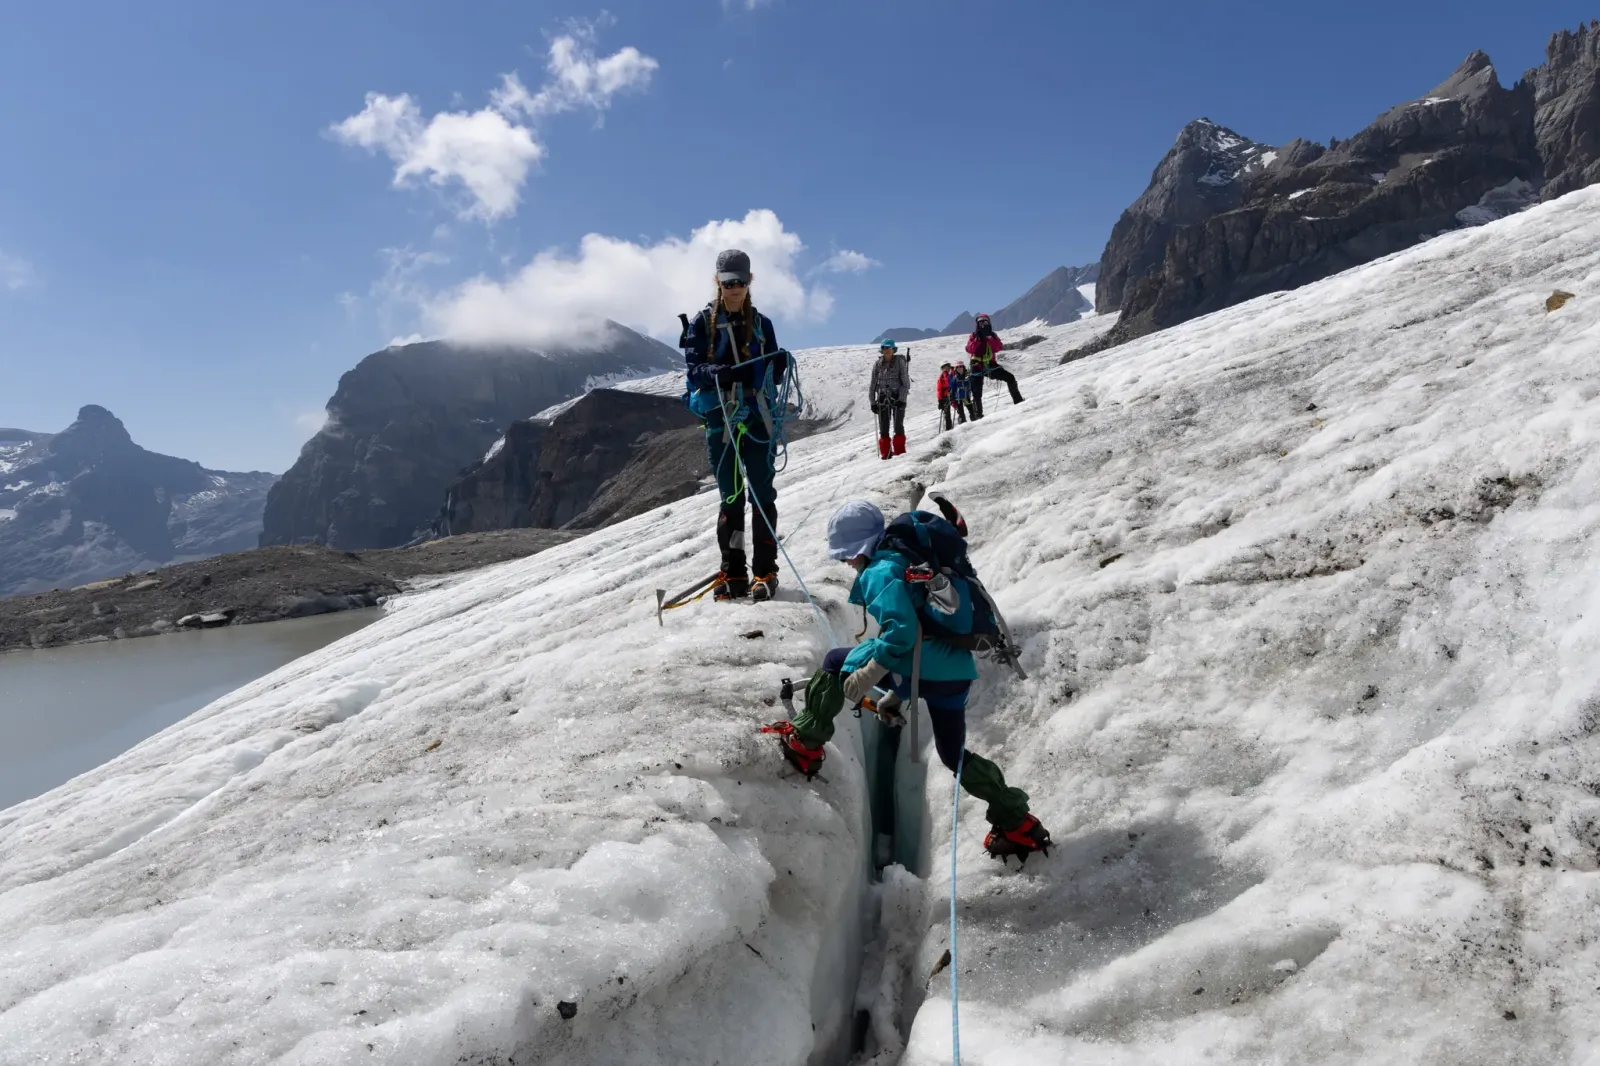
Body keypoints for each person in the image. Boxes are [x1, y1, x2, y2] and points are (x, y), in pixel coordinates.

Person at [763, 500, 1052, 860]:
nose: (846, 562)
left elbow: (901, 634)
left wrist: (871, 673)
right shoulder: (908, 558)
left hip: (920, 668)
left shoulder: (880, 571)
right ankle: (1018, 822)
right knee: (953, 754)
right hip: (954, 674)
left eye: (847, 555)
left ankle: (805, 741)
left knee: (836, 661)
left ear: (861, 548)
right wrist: (897, 695)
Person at [683, 248, 790, 602]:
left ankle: (764, 570)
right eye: (728, 282)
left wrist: (778, 365)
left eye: (740, 282)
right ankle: (734, 571)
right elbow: (694, 370)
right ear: (717, 281)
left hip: (756, 417)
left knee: (761, 495)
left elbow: (774, 371)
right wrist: (718, 373)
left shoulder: (763, 325)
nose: (734, 288)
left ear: (749, 281)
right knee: (731, 497)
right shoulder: (700, 324)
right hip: (723, 419)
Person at [965, 313, 1024, 419]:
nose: (983, 324)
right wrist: (979, 339)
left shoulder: (992, 335)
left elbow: (998, 347)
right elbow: (969, 349)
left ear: (989, 322)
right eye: (981, 322)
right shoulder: (974, 336)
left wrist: (989, 338)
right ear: (977, 324)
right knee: (976, 392)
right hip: (976, 366)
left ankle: (1018, 401)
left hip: (990, 365)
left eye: (985, 321)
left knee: (1010, 378)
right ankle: (978, 416)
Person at [869, 338, 911, 459]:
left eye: (888, 348)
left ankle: (900, 454)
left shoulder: (900, 362)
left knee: (898, 426)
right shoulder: (877, 364)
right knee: (884, 429)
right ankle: (886, 456)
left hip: (897, 398)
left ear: (893, 349)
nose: (886, 350)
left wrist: (902, 400)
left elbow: (905, 382)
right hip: (882, 400)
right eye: (884, 348)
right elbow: (872, 384)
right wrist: (873, 402)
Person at [936, 361, 956, 431]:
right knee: (947, 414)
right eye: (944, 367)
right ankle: (948, 428)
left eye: (947, 366)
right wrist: (940, 399)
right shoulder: (942, 377)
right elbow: (939, 389)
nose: (946, 368)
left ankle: (950, 427)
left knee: (952, 411)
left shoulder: (951, 374)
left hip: (951, 394)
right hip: (945, 397)